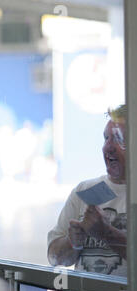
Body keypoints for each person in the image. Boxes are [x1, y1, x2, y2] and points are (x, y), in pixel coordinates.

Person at [47, 105, 127, 277]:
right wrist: (72, 242)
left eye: (118, 139)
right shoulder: (85, 191)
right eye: (106, 138)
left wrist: (106, 233)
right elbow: (54, 258)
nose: (108, 147)